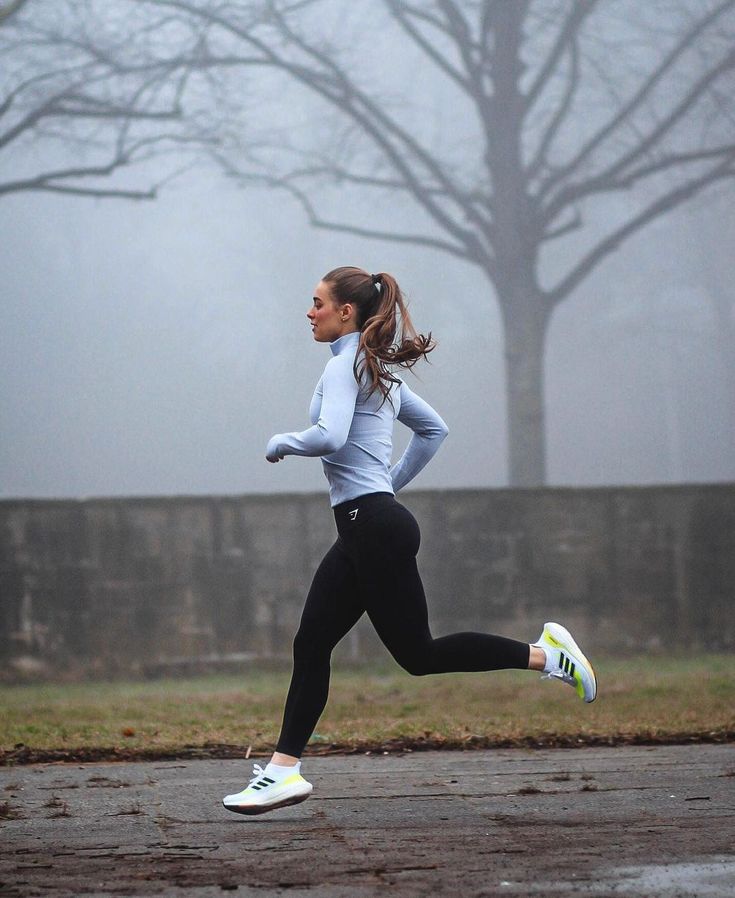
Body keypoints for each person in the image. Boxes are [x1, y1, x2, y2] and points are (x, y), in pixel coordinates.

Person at [223, 266, 597, 816]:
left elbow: (329, 436)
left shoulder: (346, 367)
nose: (309, 312)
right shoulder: (374, 371)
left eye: (317, 303)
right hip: (369, 524)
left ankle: (549, 657)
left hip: (372, 527)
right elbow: (434, 431)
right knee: (312, 643)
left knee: (418, 655)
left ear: (345, 312)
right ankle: (283, 771)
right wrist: (386, 487)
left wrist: (283, 442)